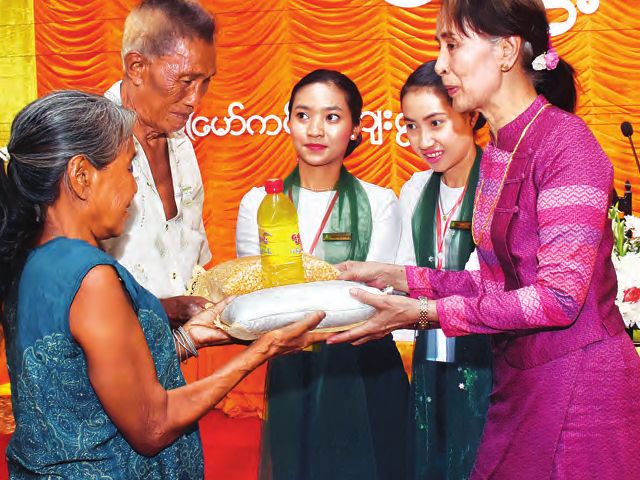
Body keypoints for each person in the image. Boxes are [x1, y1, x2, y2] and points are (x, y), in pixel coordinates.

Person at [329, 1, 640, 478]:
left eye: (452, 45)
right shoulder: (499, 148)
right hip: (519, 379)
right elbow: (500, 285)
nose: (440, 64)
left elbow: (558, 299)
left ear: (507, 51)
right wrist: (398, 277)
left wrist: (424, 313)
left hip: (580, 392)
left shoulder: (567, 144)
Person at [0, 90, 329, 478]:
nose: (134, 189)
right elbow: (152, 426)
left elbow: (86, 380)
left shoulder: (31, 257)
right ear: (81, 176)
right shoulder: (90, 277)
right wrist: (264, 349)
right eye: (128, 169)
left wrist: (190, 338)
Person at [236, 69, 408, 480]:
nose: (315, 130)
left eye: (332, 117)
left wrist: (300, 289)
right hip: (293, 366)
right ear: (288, 122)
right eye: (303, 115)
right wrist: (329, 286)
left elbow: (370, 299)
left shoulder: (380, 202)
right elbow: (258, 295)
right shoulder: (258, 202)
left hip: (365, 364)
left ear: (355, 128)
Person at [397, 60, 492, 480]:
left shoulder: (497, 185)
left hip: (490, 361)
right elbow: (402, 273)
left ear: (471, 114)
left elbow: (484, 285)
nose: (423, 141)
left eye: (436, 123)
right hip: (429, 356)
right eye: (411, 126)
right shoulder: (415, 190)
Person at [101, 0, 216, 324]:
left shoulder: (182, 146)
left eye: (205, 82)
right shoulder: (88, 148)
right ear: (137, 67)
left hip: (179, 351)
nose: (195, 100)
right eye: (186, 81)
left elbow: (192, 267)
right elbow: (65, 288)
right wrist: (166, 310)